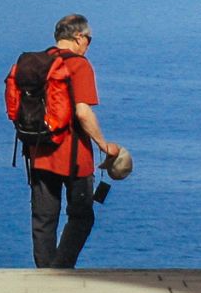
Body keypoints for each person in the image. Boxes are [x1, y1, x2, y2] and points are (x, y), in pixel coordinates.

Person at [24, 13, 127, 269]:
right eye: (89, 39)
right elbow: (82, 111)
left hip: (38, 151)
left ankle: (46, 272)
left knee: (43, 219)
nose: (89, 45)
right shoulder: (79, 66)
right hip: (73, 157)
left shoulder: (38, 62)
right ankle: (61, 268)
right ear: (78, 37)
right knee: (81, 216)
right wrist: (104, 145)